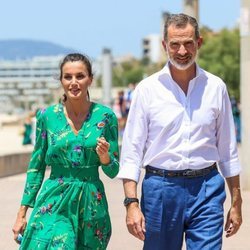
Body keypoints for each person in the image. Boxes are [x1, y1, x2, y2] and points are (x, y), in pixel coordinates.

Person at [117, 13, 242, 250]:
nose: (182, 51)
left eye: (188, 43)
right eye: (175, 44)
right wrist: (131, 203)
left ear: (199, 43)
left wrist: (236, 201)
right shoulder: (147, 90)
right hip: (160, 189)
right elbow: (132, 152)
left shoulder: (216, 87)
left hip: (207, 189)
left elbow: (227, 150)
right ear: (165, 45)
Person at [12, 53, 119, 249]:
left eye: (80, 76)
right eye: (67, 77)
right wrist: (22, 213)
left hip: (91, 203)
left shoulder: (106, 116)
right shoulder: (47, 116)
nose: (74, 82)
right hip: (54, 199)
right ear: (61, 80)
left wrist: (104, 158)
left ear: (90, 80)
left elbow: (113, 171)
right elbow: (36, 166)